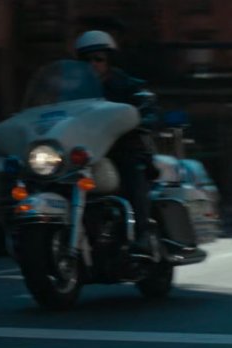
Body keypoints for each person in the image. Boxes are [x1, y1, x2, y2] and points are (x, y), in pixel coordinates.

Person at [74, 30, 159, 255]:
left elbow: (146, 104)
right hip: (87, 152)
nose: (92, 64)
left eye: (98, 59)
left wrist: (144, 115)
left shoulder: (127, 85)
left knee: (132, 173)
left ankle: (143, 235)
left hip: (124, 147)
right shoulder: (73, 92)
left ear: (109, 60)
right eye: (86, 60)